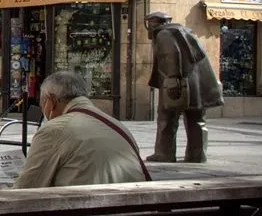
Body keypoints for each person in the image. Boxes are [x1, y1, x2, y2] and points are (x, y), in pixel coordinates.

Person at [13, 71, 149, 189]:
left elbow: (26, 188)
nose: (43, 109)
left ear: (51, 100)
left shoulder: (54, 130)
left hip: (84, 214)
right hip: (132, 213)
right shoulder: (118, 126)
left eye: (42, 103)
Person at [145, 11, 223, 163]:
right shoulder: (185, 31)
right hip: (197, 85)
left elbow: (170, 55)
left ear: (156, 22)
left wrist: (173, 78)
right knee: (197, 120)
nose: (149, 27)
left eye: (150, 23)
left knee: (166, 119)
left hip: (177, 83)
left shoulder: (164, 34)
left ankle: (164, 153)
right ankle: (197, 155)